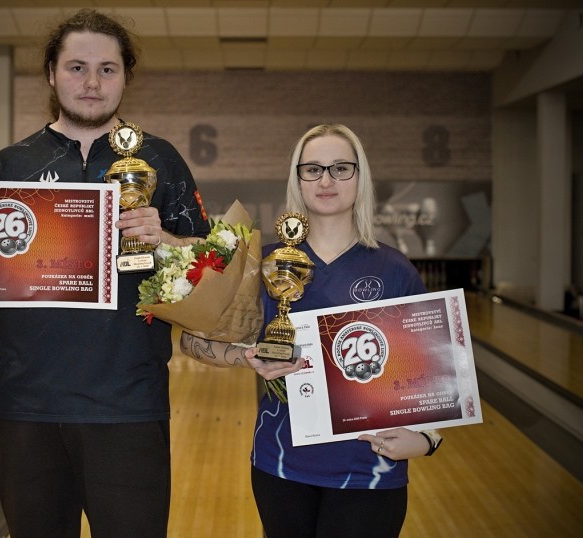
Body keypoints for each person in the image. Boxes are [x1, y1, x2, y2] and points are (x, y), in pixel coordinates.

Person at [0, 9, 209, 538]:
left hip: (128, 407)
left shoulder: (160, 160)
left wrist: (168, 241)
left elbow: (210, 267)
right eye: (77, 67)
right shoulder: (10, 165)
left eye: (107, 69)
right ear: (51, 74)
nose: (91, 82)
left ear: (126, 77)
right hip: (26, 410)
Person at [180, 123, 441, 537]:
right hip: (281, 465)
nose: (326, 180)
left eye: (341, 168)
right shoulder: (263, 264)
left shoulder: (395, 271)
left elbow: (433, 380)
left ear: (360, 176)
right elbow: (192, 340)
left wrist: (426, 439)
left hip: (370, 470)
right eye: (313, 169)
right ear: (297, 178)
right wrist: (247, 358)